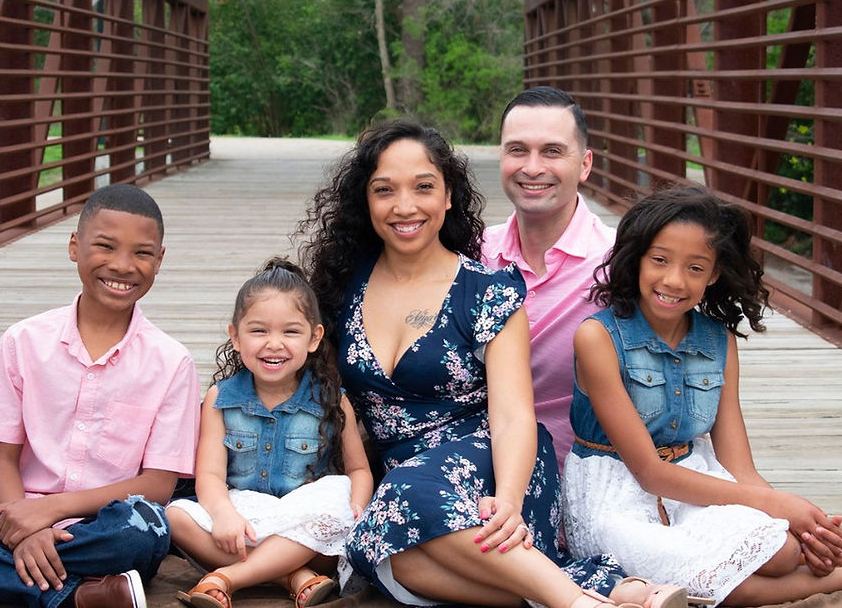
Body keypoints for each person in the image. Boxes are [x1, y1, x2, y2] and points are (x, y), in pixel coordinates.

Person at [298, 119, 690, 608]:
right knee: (393, 559)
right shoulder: (340, 285)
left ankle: (576, 606)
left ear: (447, 196)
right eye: (384, 190)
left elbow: (512, 415)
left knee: (402, 504)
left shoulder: (489, 291)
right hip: (400, 481)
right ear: (366, 201)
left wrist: (507, 498)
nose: (405, 206)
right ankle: (584, 590)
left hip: (493, 461)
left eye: (424, 187)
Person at [562, 185, 842, 605]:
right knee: (714, 584)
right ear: (636, 259)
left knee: (783, 553)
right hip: (614, 492)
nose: (673, 280)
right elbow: (650, 473)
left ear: (714, 274)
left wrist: (790, 517)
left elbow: (739, 467)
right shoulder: (598, 337)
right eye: (659, 260)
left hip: (698, 476)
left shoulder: (718, 342)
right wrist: (777, 503)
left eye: (695, 268)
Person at [0, 184, 201, 608]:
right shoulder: (23, 341)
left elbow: (158, 486)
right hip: (12, 512)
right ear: (75, 246)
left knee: (145, 529)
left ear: (160, 260)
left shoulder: (172, 362)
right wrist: (28, 526)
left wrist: (50, 513)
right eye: (105, 246)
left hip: (102, 525)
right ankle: (78, 595)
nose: (122, 265)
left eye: (142, 253)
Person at [167, 259, 373, 608]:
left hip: (306, 522)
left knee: (338, 494)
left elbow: (358, 470)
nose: (274, 344)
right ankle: (293, 576)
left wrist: (356, 505)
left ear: (314, 338)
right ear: (235, 336)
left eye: (290, 332)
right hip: (245, 518)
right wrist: (224, 515)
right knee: (175, 516)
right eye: (259, 331)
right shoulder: (222, 398)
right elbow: (211, 475)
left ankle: (226, 577)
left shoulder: (331, 400)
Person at [483, 86, 615, 467]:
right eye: (517, 149)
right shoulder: (471, 255)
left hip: (589, 474)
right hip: (485, 474)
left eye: (552, 151)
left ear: (585, 164)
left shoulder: (618, 262)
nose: (533, 167)